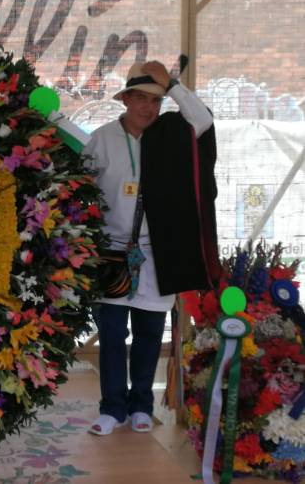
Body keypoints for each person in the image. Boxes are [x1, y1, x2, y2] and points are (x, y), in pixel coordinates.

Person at [83, 61, 221, 436]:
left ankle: (141, 405)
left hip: (158, 254)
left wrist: (173, 85)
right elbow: (79, 189)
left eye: (155, 101)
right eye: (140, 98)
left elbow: (204, 122)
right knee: (112, 333)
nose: (147, 108)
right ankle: (113, 408)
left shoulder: (172, 134)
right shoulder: (102, 139)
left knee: (148, 333)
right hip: (111, 252)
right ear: (125, 99)